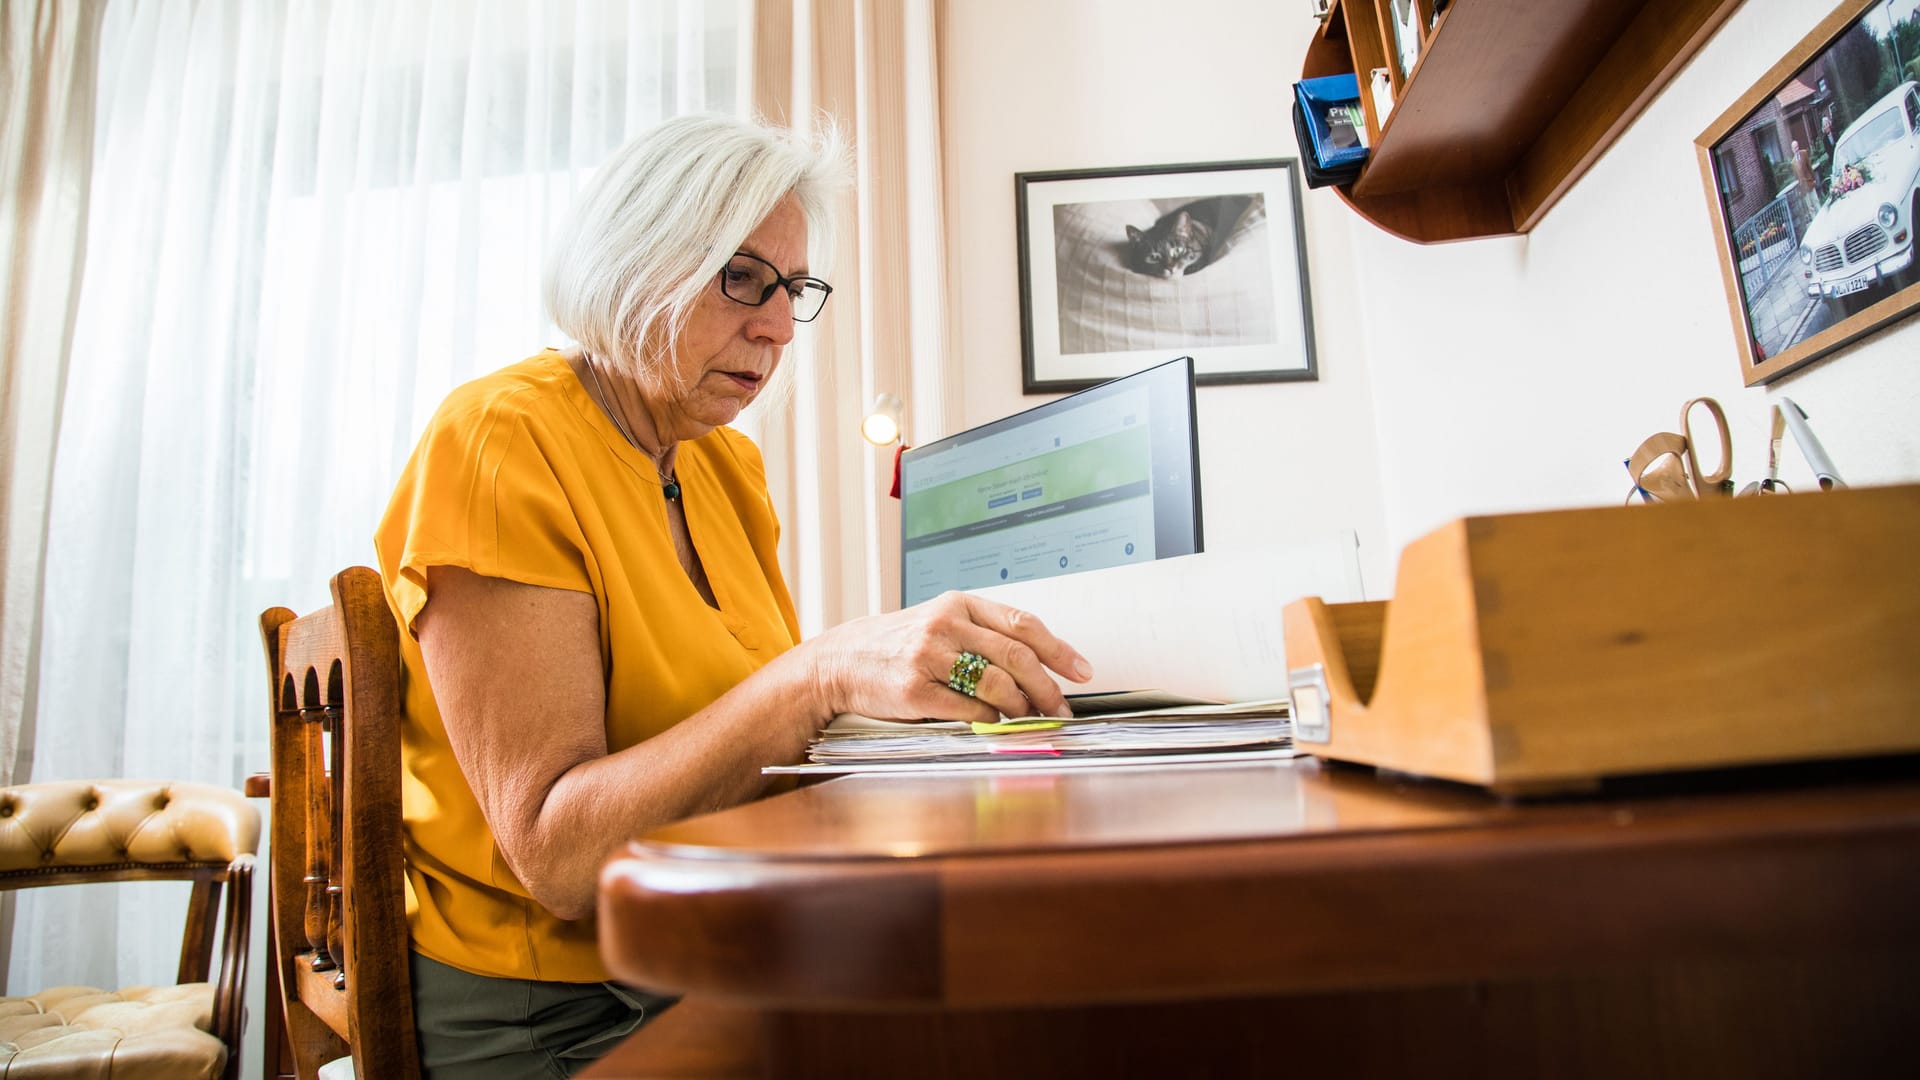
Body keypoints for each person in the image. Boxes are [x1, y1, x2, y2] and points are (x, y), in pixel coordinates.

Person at [372, 114, 1093, 1078]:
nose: (778, 326)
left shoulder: (725, 468)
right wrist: (822, 674)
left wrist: (915, 716)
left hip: (709, 953)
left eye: (794, 290)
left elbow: (764, 748)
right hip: (554, 1011)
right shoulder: (501, 440)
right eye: (743, 278)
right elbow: (557, 857)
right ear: (636, 262)